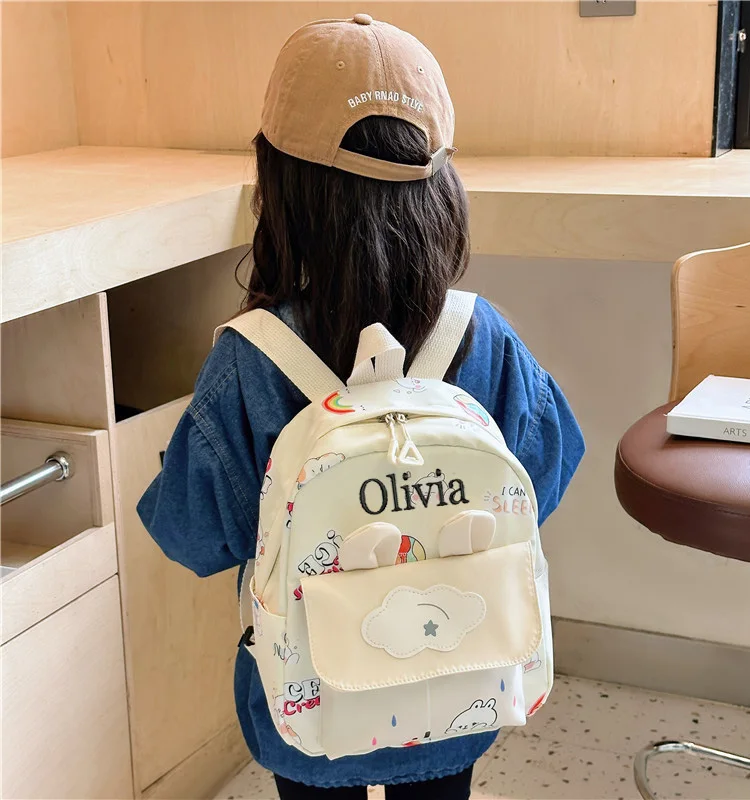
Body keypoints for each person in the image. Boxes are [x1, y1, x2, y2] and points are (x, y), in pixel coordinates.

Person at [137, 14, 585, 800]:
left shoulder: (250, 358)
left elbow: (192, 535)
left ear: (277, 184)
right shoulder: (483, 336)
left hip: (307, 700)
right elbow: (541, 477)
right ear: (443, 184)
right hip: (461, 684)